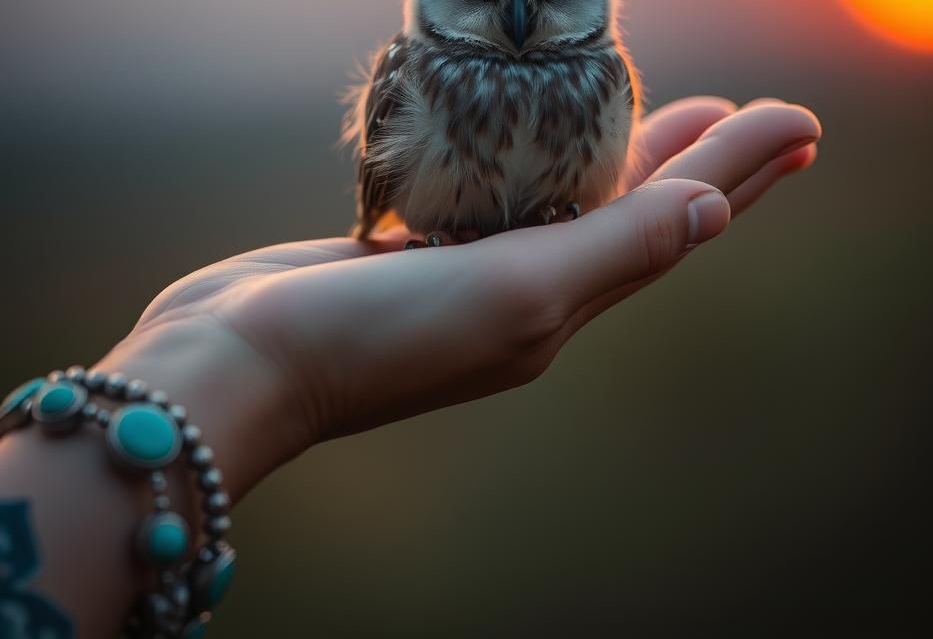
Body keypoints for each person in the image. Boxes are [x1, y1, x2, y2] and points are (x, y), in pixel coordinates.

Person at [0, 96, 820, 638]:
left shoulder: (602, 71)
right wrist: (255, 361)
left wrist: (230, 359)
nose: (520, 23)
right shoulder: (419, 66)